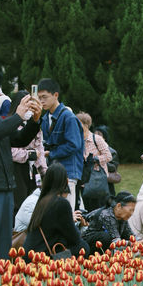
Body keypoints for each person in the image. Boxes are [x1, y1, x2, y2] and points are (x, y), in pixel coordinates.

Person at [0, 66, 42, 261]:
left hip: (6, 187)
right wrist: (17, 117)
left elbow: (18, 139)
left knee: (3, 245)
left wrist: (34, 121)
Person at [24, 163, 88, 257]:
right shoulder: (61, 203)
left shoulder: (42, 201)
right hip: (44, 256)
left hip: (31, 254)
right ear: (65, 181)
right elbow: (74, 238)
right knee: (83, 247)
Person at [38, 78, 84, 210]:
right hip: (53, 171)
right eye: (39, 97)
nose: (41, 101)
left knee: (66, 212)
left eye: (45, 97)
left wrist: (50, 153)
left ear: (55, 95)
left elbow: (74, 145)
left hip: (68, 172)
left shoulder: (68, 117)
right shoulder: (45, 118)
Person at [9, 90, 46, 215]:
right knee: (18, 203)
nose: (29, 110)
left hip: (33, 169)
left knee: (32, 202)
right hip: (17, 168)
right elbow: (10, 150)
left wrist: (43, 170)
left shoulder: (34, 124)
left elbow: (39, 146)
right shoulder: (11, 124)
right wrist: (29, 154)